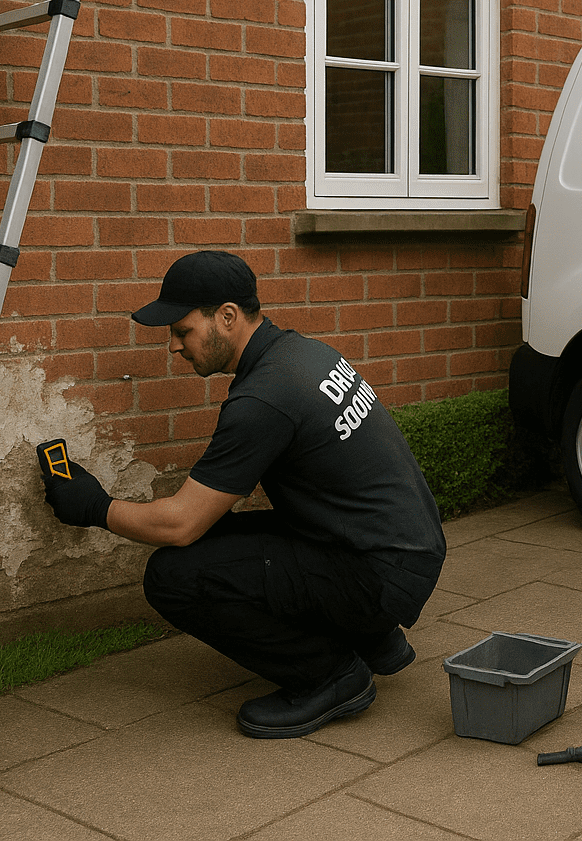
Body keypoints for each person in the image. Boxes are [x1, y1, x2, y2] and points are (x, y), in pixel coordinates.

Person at [36, 250, 445, 739]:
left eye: (181, 330)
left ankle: (330, 676)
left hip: (381, 573)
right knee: (218, 538)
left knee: (173, 575)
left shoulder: (263, 399)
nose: (173, 346)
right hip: (402, 548)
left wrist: (94, 507)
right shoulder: (305, 354)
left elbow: (180, 523)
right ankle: (376, 638)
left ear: (226, 317)